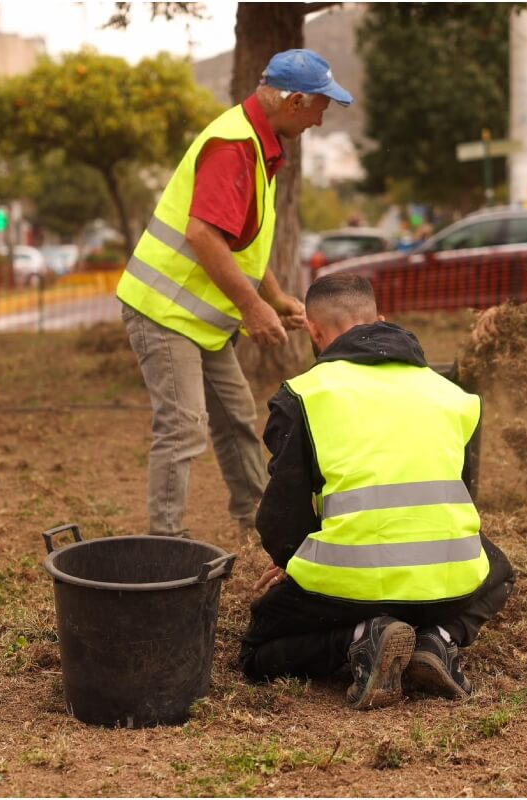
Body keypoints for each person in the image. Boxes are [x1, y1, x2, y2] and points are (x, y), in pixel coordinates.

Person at [241, 273, 515, 710]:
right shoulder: (451, 394)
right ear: (381, 320)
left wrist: (295, 560)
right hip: (447, 586)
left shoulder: (305, 395)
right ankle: (438, 639)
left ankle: (361, 637)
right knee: (500, 569)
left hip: (345, 590)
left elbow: (280, 518)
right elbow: (458, 497)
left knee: (256, 653)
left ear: (314, 331)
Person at [116, 49, 352, 537]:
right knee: (183, 425)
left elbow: (241, 240)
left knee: (238, 417)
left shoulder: (259, 146)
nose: (320, 119)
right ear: (295, 101)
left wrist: (274, 297)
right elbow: (203, 234)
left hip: (198, 320)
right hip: (163, 311)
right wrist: (252, 307)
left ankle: (257, 519)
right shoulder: (234, 147)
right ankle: (166, 543)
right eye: (320, 106)